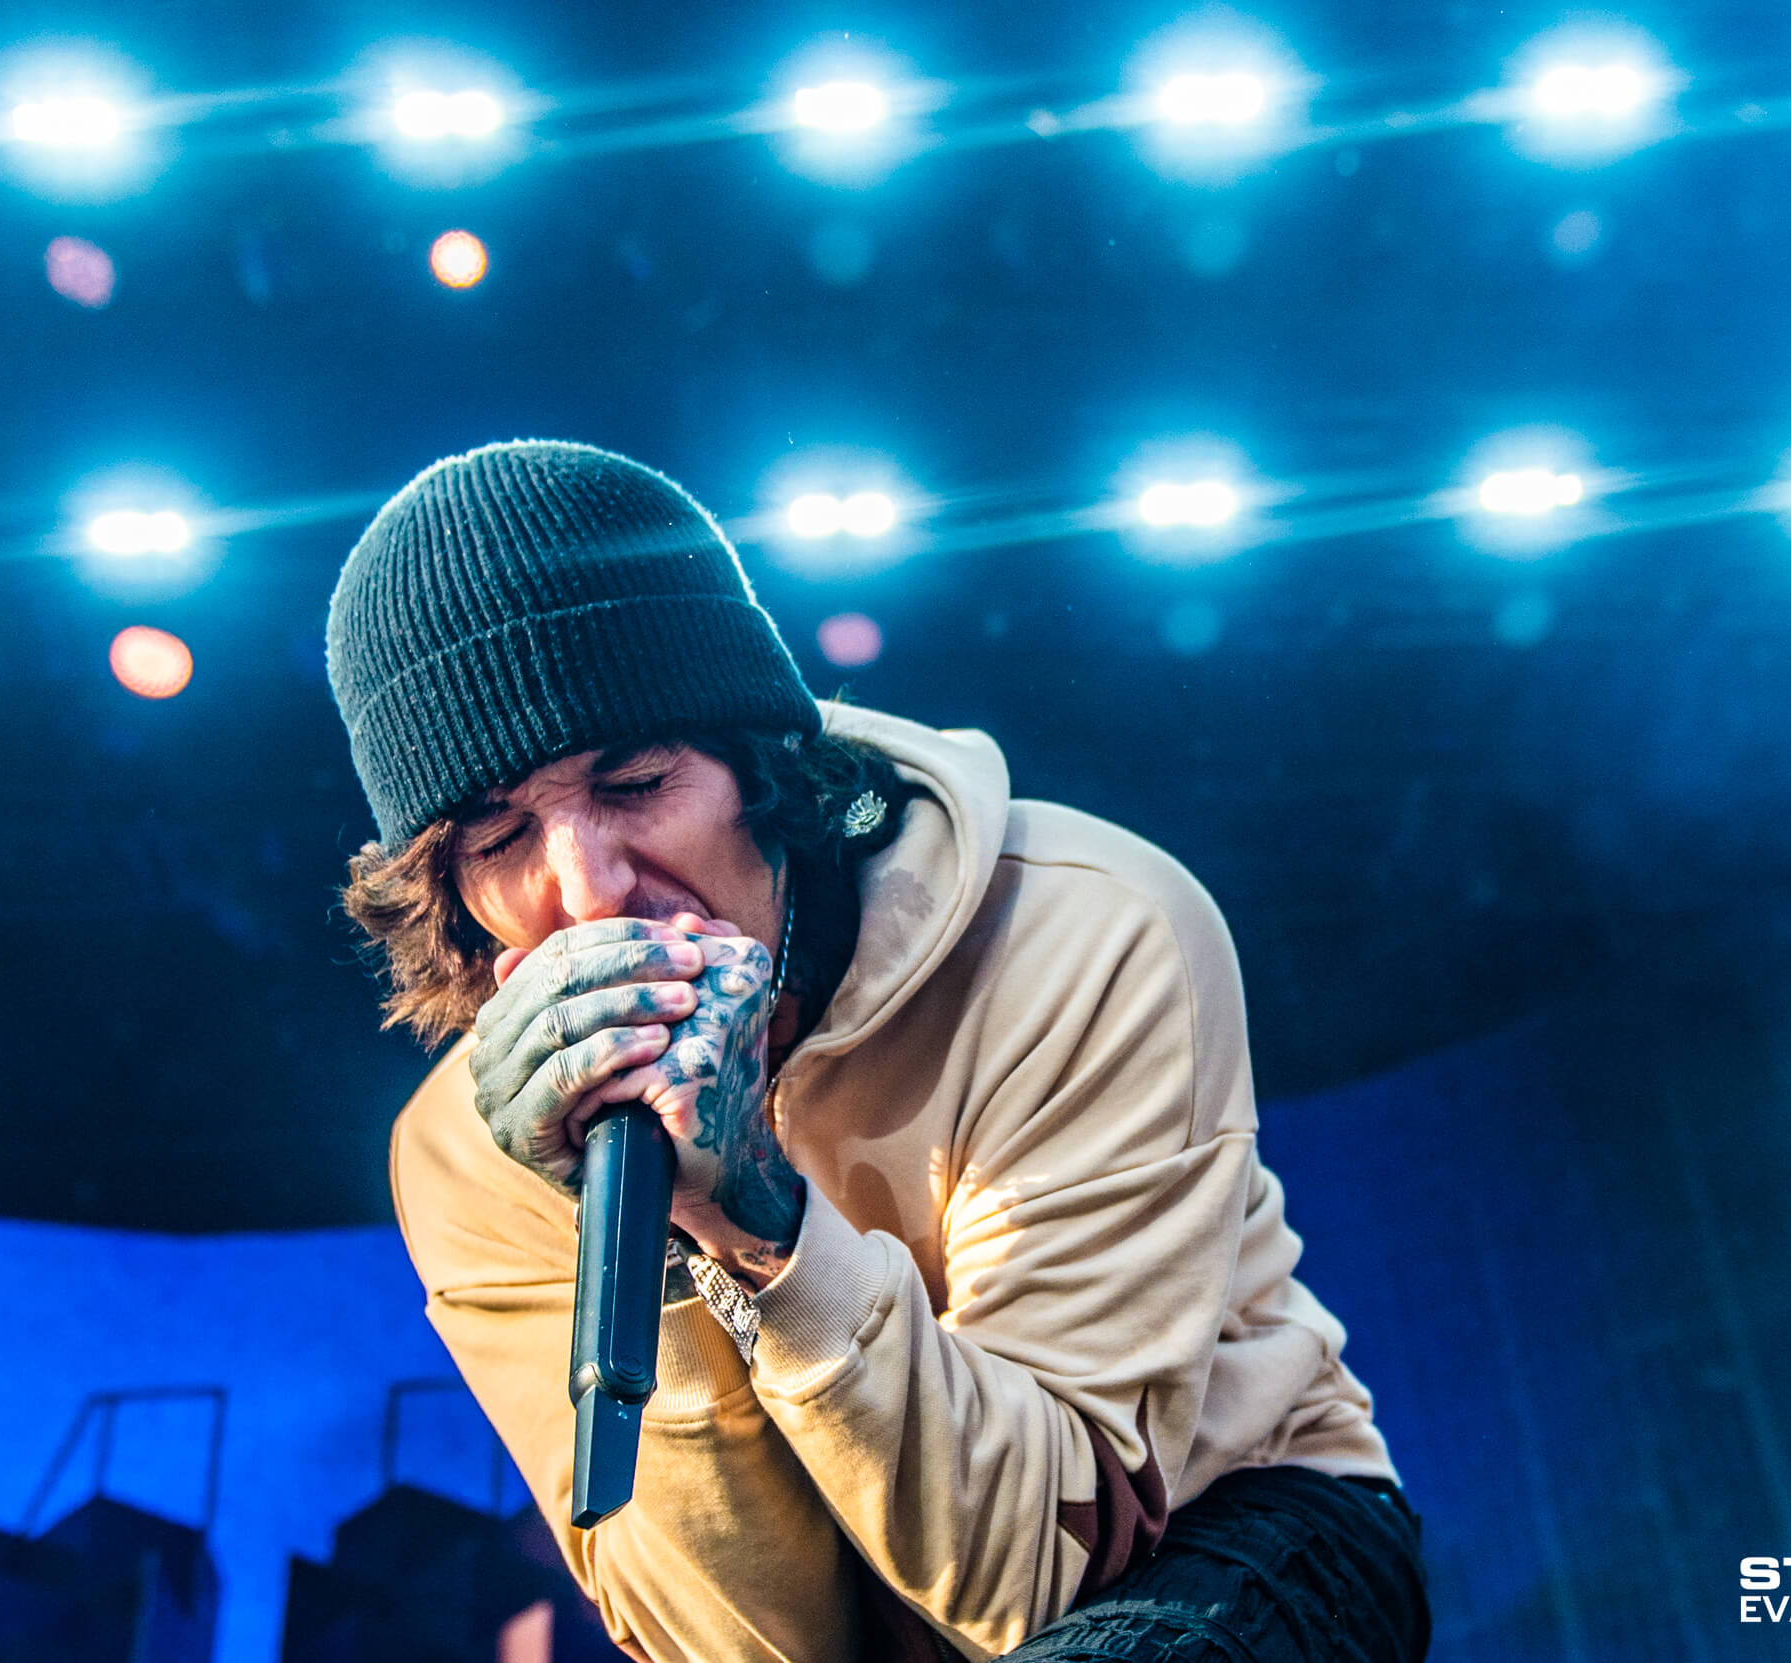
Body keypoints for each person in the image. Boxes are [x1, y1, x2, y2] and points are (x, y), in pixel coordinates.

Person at [325, 440, 1429, 1663]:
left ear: (758, 763)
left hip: (1226, 1527)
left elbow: (1029, 1566)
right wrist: (665, 1255)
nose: (589, 891)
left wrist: (760, 1216)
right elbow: (749, 1647)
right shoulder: (465, 1152)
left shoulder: (1079, 926)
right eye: (496, 834)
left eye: (636, 782)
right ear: (447, 891)